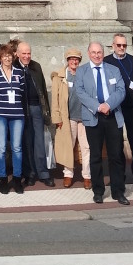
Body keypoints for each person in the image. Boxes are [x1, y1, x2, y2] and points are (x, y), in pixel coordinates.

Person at [74, 41, 128, 205]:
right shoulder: (81, 71)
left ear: (103, 53)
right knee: (95, 156)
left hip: (112, 116)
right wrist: (97, 107)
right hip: (93, 117)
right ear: (89, 53)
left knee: (116, 156)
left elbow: (121, 90)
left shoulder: (113, 69)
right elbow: (80, 92)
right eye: (94, 52)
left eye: (99, 52)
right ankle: (98, 191)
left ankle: (118, 191)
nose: (97, 55)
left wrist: (108, 105)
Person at [104, 33, 133, 195]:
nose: (121, 48)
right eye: (118, 45)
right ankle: (119, 178)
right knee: (116, 145)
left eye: (124, 45)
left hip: (132, 108)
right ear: (113, 46)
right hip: (115, 109)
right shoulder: (107, 62)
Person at [14, 39, 54, 187]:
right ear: (17, 54)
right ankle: (29, 173)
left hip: (36, 107)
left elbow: (42, 89)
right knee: (26, 142)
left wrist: (46, 112)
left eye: (29, 53)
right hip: (21, 109)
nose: (26, 56)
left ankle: (43, 173)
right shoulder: (13, 67)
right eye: (23, 53)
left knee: (39, 142)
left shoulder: (36, 66)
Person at [51, 48, 91, 189]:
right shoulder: (60, 77)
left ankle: (87, 176)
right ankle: (68, 174)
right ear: (67, 60)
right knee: (69, 145)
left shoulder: (86, 74)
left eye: (76, 59)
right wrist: (57, 118)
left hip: (85, 116)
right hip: (69, 117)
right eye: (71, 59)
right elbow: (55, 99)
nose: (74, 61)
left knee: (86, 147)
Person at [0, 42, 26, 194]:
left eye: (10, 55)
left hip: (17, 113)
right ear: (0, 58)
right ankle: (2, 178)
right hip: (0, 114)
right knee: (1, 147)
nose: (7, 58)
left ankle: (17, 179)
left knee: (17, 147)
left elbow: (22, 92)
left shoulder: (19, 73)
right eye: (4, 56)